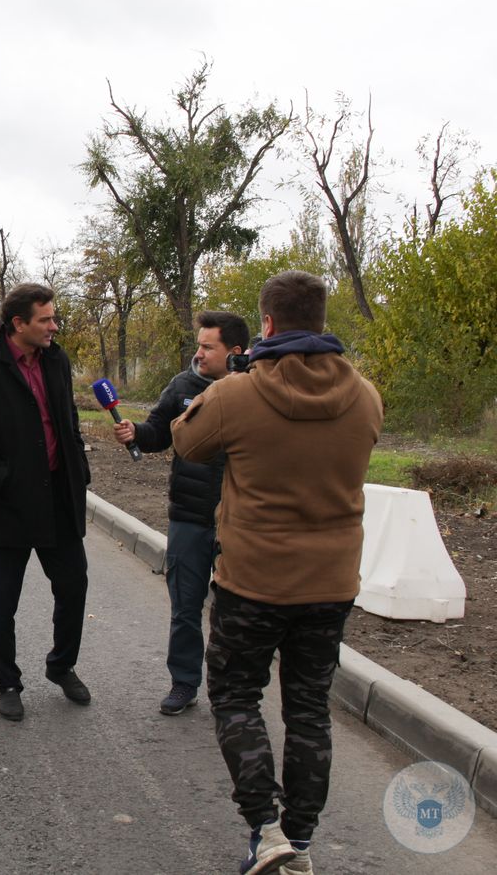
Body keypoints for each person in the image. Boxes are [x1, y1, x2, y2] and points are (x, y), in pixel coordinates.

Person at [171, 271, 383, 875]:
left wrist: (217, 384)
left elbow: (186, 443)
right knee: (310, 709)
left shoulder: (238, 394)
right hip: (332, 584)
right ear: (320, 321)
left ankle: (266, 830)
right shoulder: (365, 395)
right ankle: (303, 844)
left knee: (236, 696)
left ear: (265, 324)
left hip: (253, 583)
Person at [0, 283, 92, 722]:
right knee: (2, 601)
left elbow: (66, 418)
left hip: (60, 499)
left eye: (53, 318)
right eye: (46, 319)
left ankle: (61, 665)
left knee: (74, 586)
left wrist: (79, 471)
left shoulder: (57, 359)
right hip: (9, 506)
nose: (54, 326)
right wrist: (5, 481)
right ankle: (8, 682)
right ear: (19, 324)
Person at [113, 311, 249, 717]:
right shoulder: (183, 385)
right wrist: (137, 432)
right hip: (189, 516)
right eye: (199, 344)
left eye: (209, 347)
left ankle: (232, 692)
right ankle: (184, 683)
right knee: (186, 607)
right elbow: (158, 431)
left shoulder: (258, 388)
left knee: (236, 613)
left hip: (242, 523)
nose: (200, 353)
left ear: (235, 352)